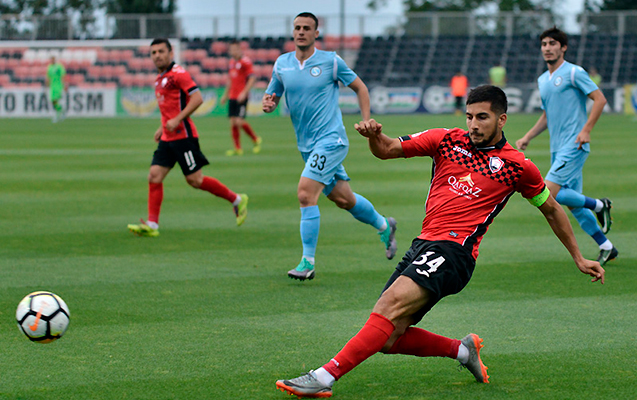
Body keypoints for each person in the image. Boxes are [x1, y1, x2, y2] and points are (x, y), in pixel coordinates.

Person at [275, 85, 605, 398]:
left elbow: (552, 209)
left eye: (482, 117)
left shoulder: (516, 166)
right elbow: (387, 150)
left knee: (389, 308)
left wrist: (578, 257)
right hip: (423, 244)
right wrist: (375, 136)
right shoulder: (446, 140)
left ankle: (323, 377)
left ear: (501, 119)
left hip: (456, 252)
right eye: (470, 116)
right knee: (388, 336)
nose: (473, 124)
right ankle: (462, 350)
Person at [262, 12, 397, 281]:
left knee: (305, 194)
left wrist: (366, 119)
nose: (301, 32)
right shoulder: (282, 64)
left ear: (316, 33)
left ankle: (307, 263)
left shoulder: (330, 61)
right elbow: (272, 95)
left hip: (331, 141)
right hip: (306, 146)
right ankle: (384, 225)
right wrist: (269, 103)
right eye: (297, 27)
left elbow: (361, 88)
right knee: (343, 199)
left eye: (306, 28)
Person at [515, 27, 617, 266]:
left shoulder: (573, 72)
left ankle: (600, 205)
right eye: (544, 44)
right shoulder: (543, 80)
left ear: (563, 47)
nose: (547, 48)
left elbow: (600, 99)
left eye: (553, 43)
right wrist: (528, 136)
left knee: (548, 193)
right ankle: (606, 247)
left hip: (575, 144)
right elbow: (547, 115)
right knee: (573, 203)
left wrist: (586, 130)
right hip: (557, 148)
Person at [127, 38, 248, 237]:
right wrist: (162, 127)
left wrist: (177, 120)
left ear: (170, 53)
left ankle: (237, 199)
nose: (157, 56)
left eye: (161, 51)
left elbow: (197, 98)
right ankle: (152, 225)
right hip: (168, 138)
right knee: (154, 176)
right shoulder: (160, 78)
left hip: (184, 137)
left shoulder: (178, 74)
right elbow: (171, 107)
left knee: (195, 180)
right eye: (153, 53)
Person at [220, 40, 262, 156]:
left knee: (239, 121)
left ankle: (255, 138)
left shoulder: (245, 62)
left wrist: (244, 93)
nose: (232, 51)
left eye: (235, 49)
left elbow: (252, 78)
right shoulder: (232, 62)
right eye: (231, 49)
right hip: (232, 96)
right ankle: (237, 148)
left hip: (241, 96)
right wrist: (225, 95)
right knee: (233, 122)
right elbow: (230, 79)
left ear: (239, 49)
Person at [46, 55, 66, 123]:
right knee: (53, 101)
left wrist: (64, 85)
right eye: (51, 59)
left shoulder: (59, 66)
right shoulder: (49, 67)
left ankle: (58, 115)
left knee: (56, 100)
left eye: (53, 59)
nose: (52, 60)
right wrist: (47, 85)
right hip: (52, 86)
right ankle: (61, 110)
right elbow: (48, 77)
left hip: (58, 86)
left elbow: (63, 76)